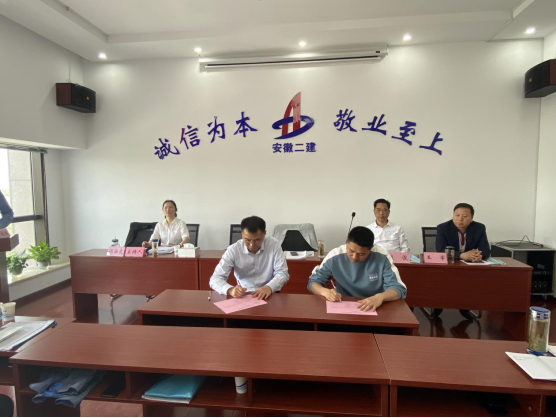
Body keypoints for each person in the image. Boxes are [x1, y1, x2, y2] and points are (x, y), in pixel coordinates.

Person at [308, 226, 406, 312]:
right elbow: (313, 282)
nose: (354, 257)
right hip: (343, 304)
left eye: (361, 254)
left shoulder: (382, 257)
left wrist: (381, 297)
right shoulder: (335, 255)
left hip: (374, 306)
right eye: (351, 250)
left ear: (371, 247)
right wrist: (324, 292)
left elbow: (398, 288)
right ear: (347, 240)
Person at [209, 216, 289, 300]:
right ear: (242, 234)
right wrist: (230, 289)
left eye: (257, 240)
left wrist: (269, 287)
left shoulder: (273, 245)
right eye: (247, 240)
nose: (252, 245)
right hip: (244, 295)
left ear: (264, 233)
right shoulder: (233, 250)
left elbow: (282, 273)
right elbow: (215, 279)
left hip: (269, 293)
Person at [435, 203, 491, 320]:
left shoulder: (479, 228)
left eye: (465, 216)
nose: (460, 219)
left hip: (469, 267)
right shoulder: (443, 228)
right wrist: (462, 255)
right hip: (448, 266)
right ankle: (438, 304)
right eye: (457, 215)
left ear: (471, 218)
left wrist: (478, 256)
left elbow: (485, 251)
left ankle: (465, 305)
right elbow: (440, 250)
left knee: (473, 278)